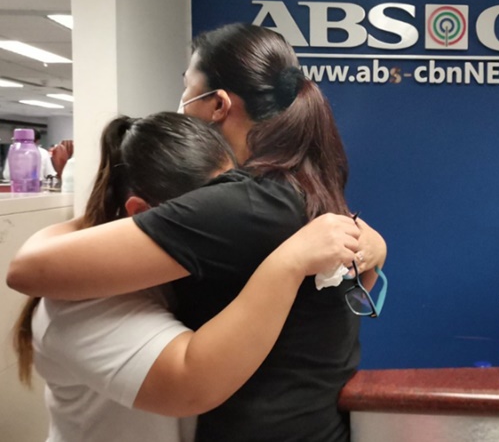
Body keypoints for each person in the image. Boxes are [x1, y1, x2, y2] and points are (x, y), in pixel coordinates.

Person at [8, 24, 387, 442]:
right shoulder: (303, 183)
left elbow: (27, 270)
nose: (181, 103)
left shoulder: (244, 203)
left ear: (219, 104)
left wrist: (94, 216)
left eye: (187, 88)